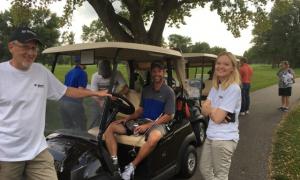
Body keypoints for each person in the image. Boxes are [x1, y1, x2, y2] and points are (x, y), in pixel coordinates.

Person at [0, 27, 111, 180]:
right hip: (7, 154)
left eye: (34, 48)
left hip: (37, 151)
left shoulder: (40, 71)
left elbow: (66, 91)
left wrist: (95, 93)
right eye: (25, 47)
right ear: (11, 47)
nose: (31, 53)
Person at [103, 61, 175, 180]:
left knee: (155, 138)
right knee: (111, 127)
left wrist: (148, 126)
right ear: (151, 73)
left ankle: (132, 166)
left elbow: (168, 116)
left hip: (158, 123)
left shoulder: (168, 92)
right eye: (154, 71)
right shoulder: (146, 90)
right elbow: (140, 110)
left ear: (163, 72)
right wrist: (128, 118)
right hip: (142, 121)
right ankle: (115, 163)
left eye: (159, 71)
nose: (157, 74)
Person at [200, 52, 241, 180]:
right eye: (218, 63)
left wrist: (212, 110)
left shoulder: (233, 89)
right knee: (205, 169)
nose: (221, 66)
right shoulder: (215, 87)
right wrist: (216, 111)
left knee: (221, 176)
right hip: (211, 135)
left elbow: (217, 118)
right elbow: (203, 110)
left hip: (224, 138)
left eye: (226, 64)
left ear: (232, 69)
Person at [90, 60, 129, 127]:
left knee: (110, 119)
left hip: (112, 100)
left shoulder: (117, 74)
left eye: (106, 74)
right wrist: (100, 101)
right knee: (95, 116)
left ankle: (110, 128)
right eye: (102, 74)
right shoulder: (95, 77)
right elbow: (94, 93)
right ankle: (94, 130)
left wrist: (117, 95)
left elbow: (126, 88)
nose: (104, 76)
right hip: (99, 100)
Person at [59, 56, 88, 130]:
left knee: (68, 128)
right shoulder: (82, 73)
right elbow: (80, 91)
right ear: (82, 62)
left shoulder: (69, 73)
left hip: (62, 103)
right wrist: (81, 105)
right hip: (73, 104)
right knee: (81, 128)